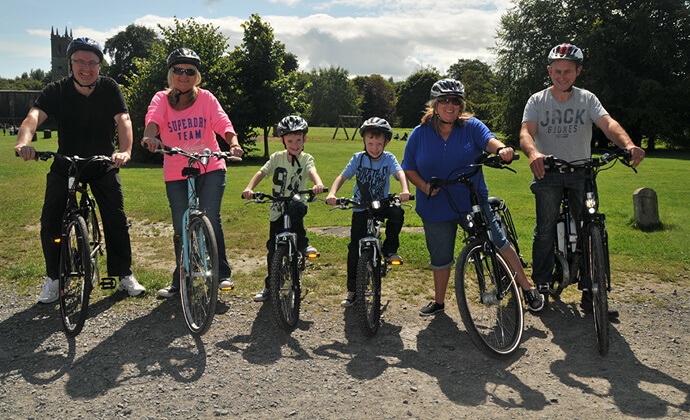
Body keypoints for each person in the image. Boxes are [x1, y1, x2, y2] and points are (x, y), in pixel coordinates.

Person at [14, 37, 145, 303]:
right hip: (66, 164)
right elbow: (34, 117)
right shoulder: (57, 89)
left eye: (93, 63)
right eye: (80, 62)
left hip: (101, 163)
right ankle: (54, 277)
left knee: (116, 218)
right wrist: (23, 142)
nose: (86, 68)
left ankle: (123, 275)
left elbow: (124, 119)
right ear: (70, 63)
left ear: (100, 65)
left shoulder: (109, 88)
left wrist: (125, 151)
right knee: (50, 218)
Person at [519, 43, 645, 311]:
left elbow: (608, 124)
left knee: (592, 229)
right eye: (556, 71)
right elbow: (526, 133)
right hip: (549, 172)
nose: (561, 76)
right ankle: (540, 285)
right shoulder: (537, 101)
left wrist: (629, 144)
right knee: (544, 229)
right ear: (549, 71)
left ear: (578, 71)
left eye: (568, 71)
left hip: (582, 173)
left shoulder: (587, 99)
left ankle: (593, 291)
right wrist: (533, 153)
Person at [402, 78, 544, 316]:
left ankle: (527, 288)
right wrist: (424, 187)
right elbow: (409, 168)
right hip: (435, 202)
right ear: (435, 104)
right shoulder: (420, 134)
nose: (450, 106)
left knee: (498, 240)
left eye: (455, 101)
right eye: (444, 100)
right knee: (440, 255)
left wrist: (501, 149)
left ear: (461, 105)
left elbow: (489, 140)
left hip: (471, 199)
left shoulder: (471, 126)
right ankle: (439, 302)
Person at [140, 48, 244, 299]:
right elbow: (153, 120)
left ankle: (222, 273)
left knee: (209, 217)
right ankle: (181, 277)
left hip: (209, 166)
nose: (183, 76)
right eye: (178, 70)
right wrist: (150, 137)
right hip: (177, 169)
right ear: (171, 73)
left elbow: (222, 122)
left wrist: (234, 143)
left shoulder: (207, 98)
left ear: (196, 75)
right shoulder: (161, 99)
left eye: (190, 71)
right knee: (180, 225)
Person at [326, 117, 412, 308]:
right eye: (370, 143)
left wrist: (404, 189)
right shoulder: (358, 158)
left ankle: (390, 250)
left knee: (397, 212)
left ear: (386, 143)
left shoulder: (388, 158)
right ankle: (352, 291)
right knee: (354, 248)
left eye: (378, 144)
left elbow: (400, 173)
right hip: (361, 206)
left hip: (381, 204)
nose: (374, 148)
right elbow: (343, 176)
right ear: (364, 141)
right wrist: (332, 193)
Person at [242, 115, 325, 302]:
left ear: (305, 139)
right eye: (290, 141)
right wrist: (249, 188)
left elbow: (312, 172)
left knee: (295, 209)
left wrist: (318, 184)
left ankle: (303, 244)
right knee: (273, 249)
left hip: (297, 203)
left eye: (298, 140)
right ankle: (270, 285)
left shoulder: (306, 159)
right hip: (277, 209)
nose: (295, 144)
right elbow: (261, 173)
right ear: (282, 141)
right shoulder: (277, 158)